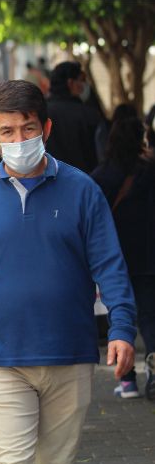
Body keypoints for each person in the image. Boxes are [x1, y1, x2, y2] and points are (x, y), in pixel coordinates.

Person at [0, 80, 138, 464]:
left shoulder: (83, 191)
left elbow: (110, 264)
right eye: (8, 131)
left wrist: (123, 328)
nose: (19, 139)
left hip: (69, 353)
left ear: (46, 129)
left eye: (28, 129)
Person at [91, 116, 155, 401]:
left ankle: (126, 380)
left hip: (113, 258)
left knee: (120, 314)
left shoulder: (100, 176)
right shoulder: (150, 171)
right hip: (147, 255)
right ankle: (153, 374)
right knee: (149, 318)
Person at [45, 61, 101, 173]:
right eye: (82, 80)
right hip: (83, 180)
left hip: (49, 180)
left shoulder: (40, 112)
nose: (84, 84)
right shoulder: (88, 114)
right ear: (70, 83)